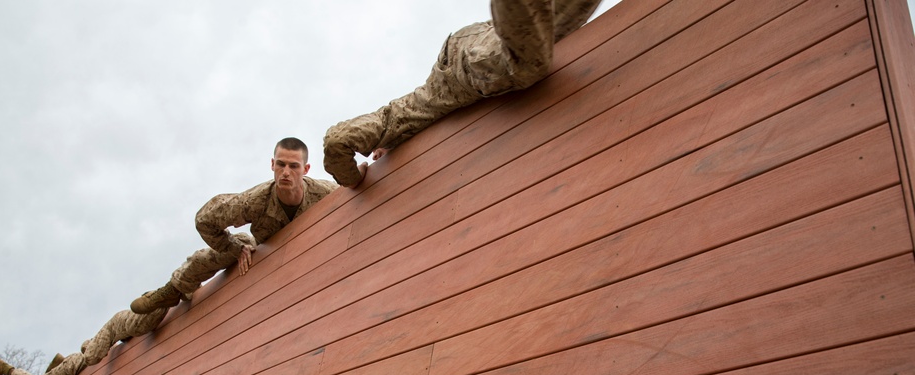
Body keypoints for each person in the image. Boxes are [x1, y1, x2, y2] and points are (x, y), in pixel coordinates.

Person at [322, 0, 600, 187]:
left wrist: (354, 180)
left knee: (524, 66)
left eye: (375, 154)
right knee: (555, 24)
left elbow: (337, 140)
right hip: (472, 44)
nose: (376, 158)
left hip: (461, 70)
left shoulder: (397, 116)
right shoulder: (402, 120)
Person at [130, 137, 338, 313]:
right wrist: (235, 248)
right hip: (265, 250)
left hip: (308, 247)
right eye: (280, 164)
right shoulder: (255, 201)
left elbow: (355, 189)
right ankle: (172, 290)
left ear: (306, 169)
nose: (285, 172)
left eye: (293, 166)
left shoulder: (325, 192)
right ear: (272, 165)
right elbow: (204, 219)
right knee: (227, 248)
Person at [0, 305, 169, 375]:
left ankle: (57, 364)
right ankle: (6, 369)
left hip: (77, 359)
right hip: (75, 363)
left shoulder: (127, 327)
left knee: (88, 356)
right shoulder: (122, 325)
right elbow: (89, 348)